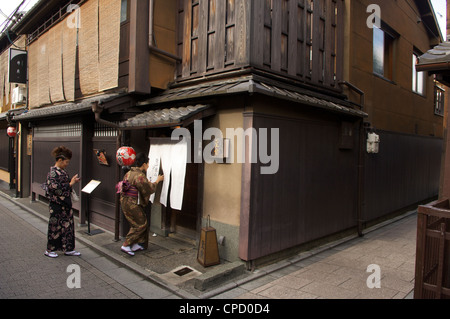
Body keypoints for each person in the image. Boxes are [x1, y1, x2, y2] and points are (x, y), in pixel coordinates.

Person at [118, 152, 164, 256]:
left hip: (125, 201)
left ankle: (135, 244)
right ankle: (126, 244)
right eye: (148, 163)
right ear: (143, 164)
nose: (148, 166)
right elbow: (149, 188)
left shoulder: (129, 173)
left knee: (136, 223)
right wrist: (158, 180)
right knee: (141, 224)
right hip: (131, 203)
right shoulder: (139, 176)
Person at [44, 146, 81, 258]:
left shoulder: (62, 172)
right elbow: (55, 188)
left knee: (68, 227)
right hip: (57, 205)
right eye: (66, 162)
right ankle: (50, 250)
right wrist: (70, 184)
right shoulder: (53, 173)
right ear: (59, 160)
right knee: (55, 227)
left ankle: (68, 248)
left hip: (65, 205)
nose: (67, 164)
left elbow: (63, 186)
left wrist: (71, 182)